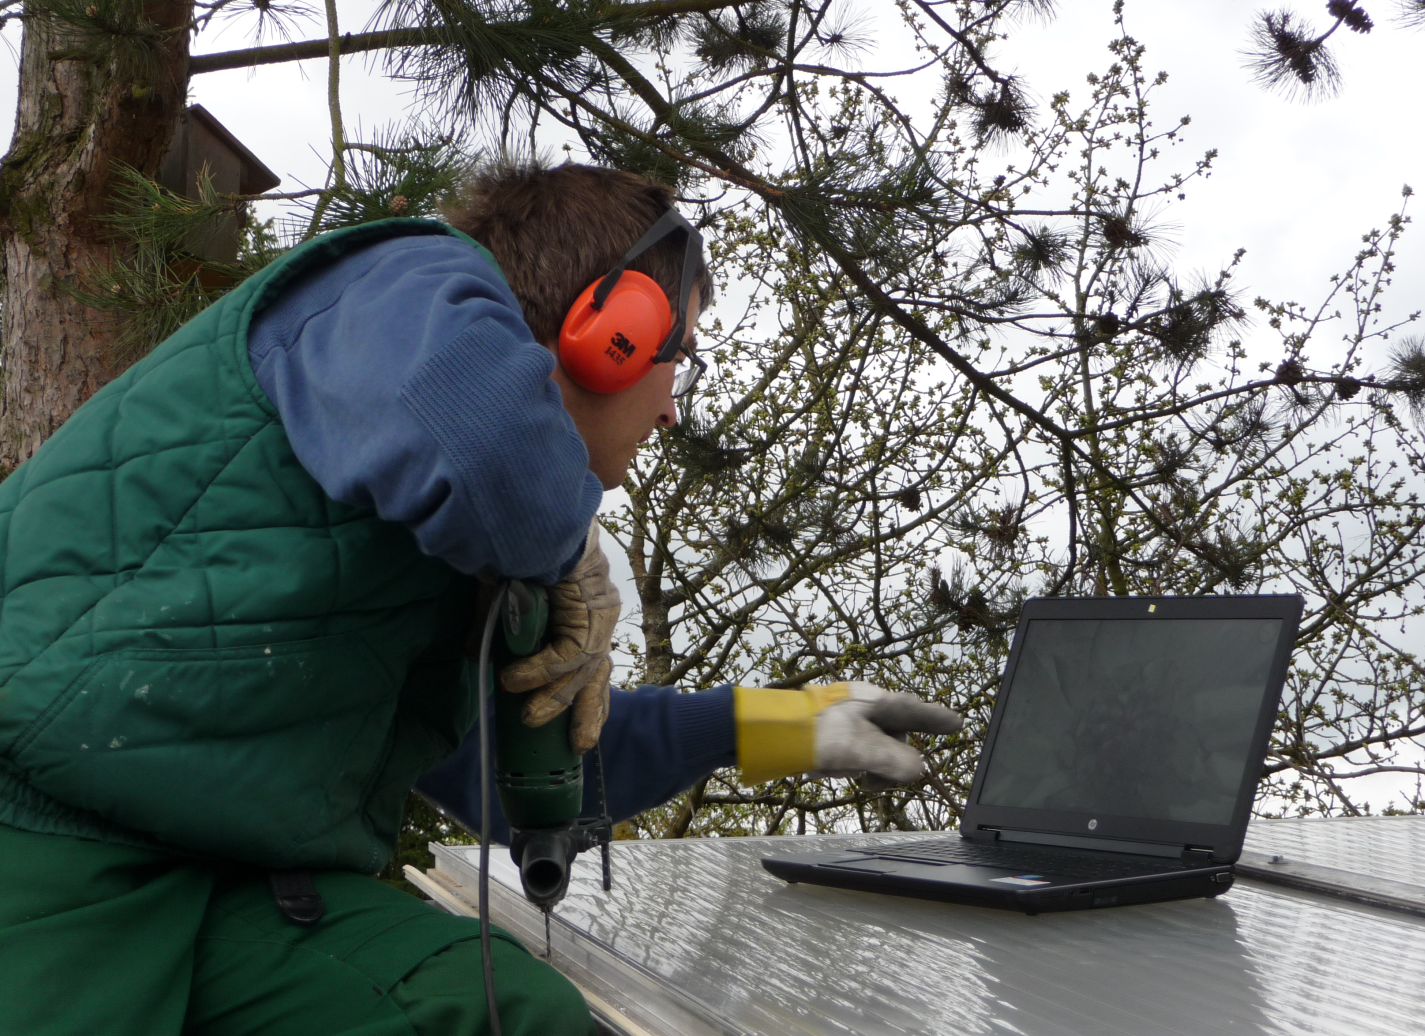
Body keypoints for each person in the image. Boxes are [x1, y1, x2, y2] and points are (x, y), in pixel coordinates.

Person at [0, 162, 961, 1036]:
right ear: (612, 333)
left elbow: (517, 766)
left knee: (509, 1015)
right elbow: (488, 451)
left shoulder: (455, 543)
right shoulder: (393, 283)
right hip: (35, 855)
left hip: (204, 892)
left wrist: (787, 726)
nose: (674, 407)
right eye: (682, 357)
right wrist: (574, 553)